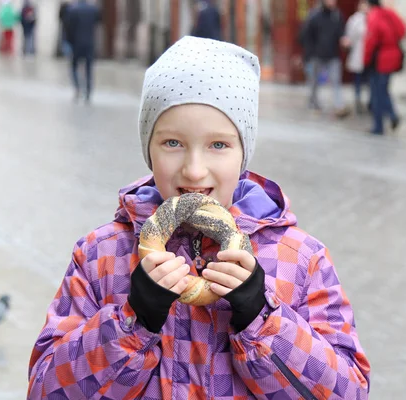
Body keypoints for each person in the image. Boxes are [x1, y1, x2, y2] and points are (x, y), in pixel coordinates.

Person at [27, 36, 370, 399]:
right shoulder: (99, 256)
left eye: (218, 145)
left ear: (243, 154)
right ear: (149, 149)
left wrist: (262, 318)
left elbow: (348, 393)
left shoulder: (301, 260)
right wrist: (132, 321)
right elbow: (46, 391)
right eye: (172, 143)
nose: (193, 171)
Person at [299, 0, 350, 118]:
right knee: (314, 81)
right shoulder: (314, 16)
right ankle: (313, 103)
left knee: (336, 81)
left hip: (333, 55)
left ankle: (339, 106)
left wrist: (343, 40)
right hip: (316, 55)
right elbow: (305, 36)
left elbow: (341, 32)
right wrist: (309, 54)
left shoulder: (337, 16)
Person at [363, 0, 406, 134]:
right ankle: (392, 115)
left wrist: (365, 59)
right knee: (383, 90)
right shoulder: (390, 14)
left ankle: (379, 126)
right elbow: (403, 30)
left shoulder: (374, 15)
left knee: (377, 93)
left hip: (380, 58)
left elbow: (371, 39)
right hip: (393, 56)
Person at [65, 0, 101, 103]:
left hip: (76, 43)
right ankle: (88, 90)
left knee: (74, 66)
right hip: (89, 43)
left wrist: (70, 41)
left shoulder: (72, 10)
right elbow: (98, 23)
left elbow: (68, 28)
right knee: (89, 68)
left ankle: (77, 88)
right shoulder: (93, 9)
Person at [345, 0, 369, 114]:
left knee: (369, 79)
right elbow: (350, 36)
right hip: (358, 53)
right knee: (358, 78)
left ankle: (370, 101)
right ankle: (358, 99)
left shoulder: (372, 18)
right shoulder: (355, 19)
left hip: (369, 54)